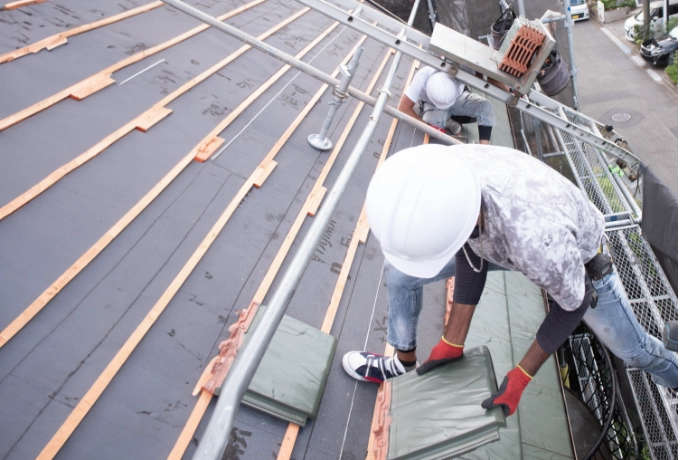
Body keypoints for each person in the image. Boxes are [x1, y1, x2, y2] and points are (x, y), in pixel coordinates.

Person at [342, 144, 678, 417]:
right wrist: (452, 341)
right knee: (402, 274)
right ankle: (402, 363)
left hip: (578, 262)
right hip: (507, 230)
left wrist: (521, 376)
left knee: (634, 351)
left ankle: (676, 373)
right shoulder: (448, 176)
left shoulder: (535, 243)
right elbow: (470, 249)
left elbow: (574, 303)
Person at [398, 67, 500, 144]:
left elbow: (486, 75)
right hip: (433, 105)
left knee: (485, 106)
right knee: (431, 130)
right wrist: (428, 127)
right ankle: (448, 122)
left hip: (458, 99)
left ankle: (483, 149)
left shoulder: (458, 69)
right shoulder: (422, 77)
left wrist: (509, 89)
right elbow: (403, 108)